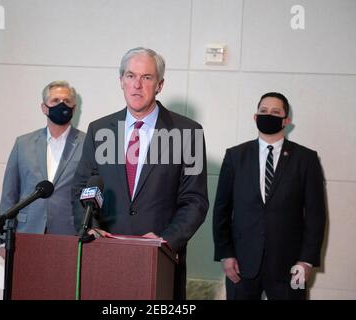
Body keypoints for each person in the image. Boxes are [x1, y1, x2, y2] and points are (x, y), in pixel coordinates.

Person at [73, 47, 209, 299]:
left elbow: (195, 201)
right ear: (121, 81)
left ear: (159, 85)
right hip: (105, 255)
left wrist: (164, 241)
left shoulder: (187, 133)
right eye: (130, 76)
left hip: (159, 260)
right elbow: (81, 188)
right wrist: (90, 228)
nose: (137, 85)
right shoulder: (100, 130)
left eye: (146, 77)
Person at [213, 92, 326, 300]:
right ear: (255, 117)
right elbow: (221, 210)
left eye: (276, 112)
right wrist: (225, 254)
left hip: (290, 267)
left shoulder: (306, 159)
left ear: (287, 120)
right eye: (263, 111)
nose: (268, 115)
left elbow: (315, 215)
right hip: (241, 265)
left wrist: (306, 261)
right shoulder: (235, 156)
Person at [0, 80, 85, 257]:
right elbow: (10, 193)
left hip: (68, 236)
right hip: (27, 233)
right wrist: (3, 238)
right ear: (44, 108)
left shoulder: (87, 144)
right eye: (55, 101)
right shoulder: (23, 144)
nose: (62, 105)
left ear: (74, 108)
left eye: (67, 101)